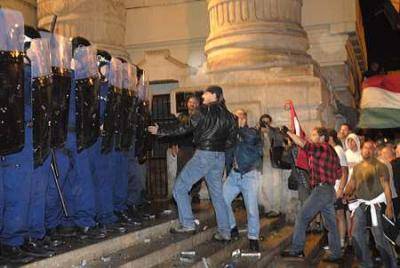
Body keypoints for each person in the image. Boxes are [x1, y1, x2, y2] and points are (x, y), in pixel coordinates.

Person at [148, 85, 237, 241]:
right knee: (217, 196)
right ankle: (225, 232)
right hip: (219, 156)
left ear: (215, 95)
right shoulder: (229, 116)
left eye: (206, 93)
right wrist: (218, 148)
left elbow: (184, 127)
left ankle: (188, 224)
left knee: (179, 188)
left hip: (204, 154)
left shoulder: (203, 111)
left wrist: (160, 131)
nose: (203, 95)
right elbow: (231, 140)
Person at [281, 127, 342, 263]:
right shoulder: (331, 151)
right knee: (331, 225)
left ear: (322, 138)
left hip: (321, 190)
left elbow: (304, 144)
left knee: (302, 217)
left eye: (314, 134)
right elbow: (339, 173)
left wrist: (288, 133)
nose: (311, 136)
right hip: (329, 190)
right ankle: (336, 253)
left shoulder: (322, 148)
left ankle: (297, 250)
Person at [344, 141, 397, 268]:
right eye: (365, 148)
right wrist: (345, 193)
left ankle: (391, 265)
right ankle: (366, 263)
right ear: (361, 150)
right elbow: (351, 184)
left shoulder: (380, 166)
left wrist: (389, 206)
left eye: (370, 148)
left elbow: (386, 187)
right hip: (361, 205)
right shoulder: (357, 167)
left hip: (376, 205)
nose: (367, 150)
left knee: (379, 239)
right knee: (356, 235)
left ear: (374, 151)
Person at [223, 109, 263, 252]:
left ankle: (253, 238)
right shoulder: (233, 134)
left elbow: (251, 139)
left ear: (245, 119)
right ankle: (232, 227)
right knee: (222, 199)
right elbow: (227, 151)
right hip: (234, 175)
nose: (236, 119)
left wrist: (239, 127)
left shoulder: (252, 131)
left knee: (251, 208)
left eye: (239, 116)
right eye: (235, 116)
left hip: (249, 175)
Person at [171, 95, 201, 204]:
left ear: (198, 104)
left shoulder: (200, 116)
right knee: (181, 171)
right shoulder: (181, 117)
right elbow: (176, 131)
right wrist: (173, 145)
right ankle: (178, 194)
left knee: (197, 172)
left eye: (194, 102)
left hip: (197, 148)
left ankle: (195, 194)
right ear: (187, 104)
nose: (192, 104)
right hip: (184, 147)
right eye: (190, 102)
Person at [328, 129, 349, 249]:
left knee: (340, 214)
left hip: (337, 188)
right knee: (331, 215)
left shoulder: (338, 150)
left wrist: (341, 189)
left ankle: (341, 241)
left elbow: (344, 171)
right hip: (330, 188)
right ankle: (335, 241)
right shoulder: (330, 150)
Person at [377, 145, 399, 218]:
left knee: (390, 223)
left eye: (383, 153)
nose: (381, 155)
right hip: (393, 196)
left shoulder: (385, 164)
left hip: (389, 197)